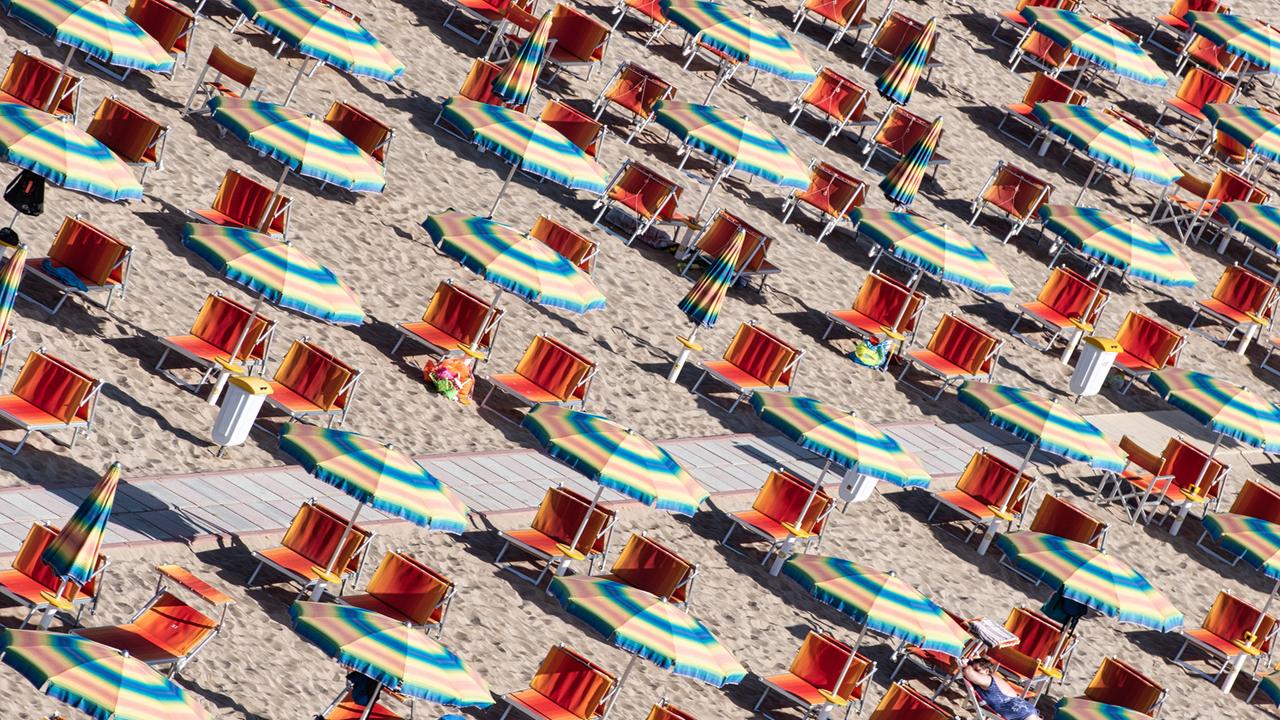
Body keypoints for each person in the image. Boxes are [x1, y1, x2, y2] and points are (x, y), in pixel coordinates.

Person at [961, 658, 1042, 720]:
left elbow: (969, 673)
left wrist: (967, 664)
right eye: (973, 669)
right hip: (1021, 709)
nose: (975, 671)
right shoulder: (990, 678)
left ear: (986, 671)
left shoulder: (988, 679)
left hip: (1020, 712)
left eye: (977, 670)